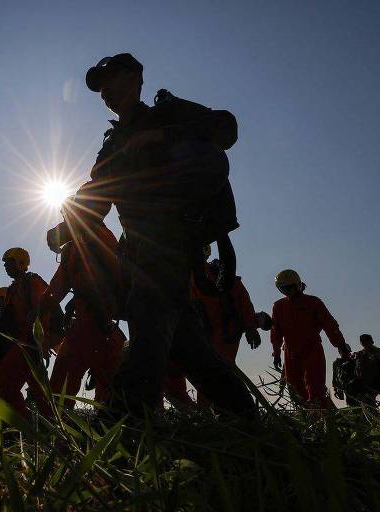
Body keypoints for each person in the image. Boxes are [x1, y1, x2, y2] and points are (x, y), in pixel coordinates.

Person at [45, 53, 255, 417]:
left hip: (172, 241)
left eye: (113, 79)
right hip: (138, 249)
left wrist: (162, 135)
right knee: (187, 346)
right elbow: (101, 191)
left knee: (148, 321)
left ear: (137, 78)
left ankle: (123, 425)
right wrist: (67, 227)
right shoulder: (113, 143)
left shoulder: (166, 113)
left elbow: (226, 128)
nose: (106, 91)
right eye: (101, 87)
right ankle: (244, 415)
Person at [42, 207, 125, 408]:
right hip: (95, 318)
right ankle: (111, 418)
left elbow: (117, 274)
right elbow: (57, 289)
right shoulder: (76, 245)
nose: (65, 218)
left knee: (68, 372)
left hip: (95, 318)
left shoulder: (95, 236)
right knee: (108, 372)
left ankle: (57, 421)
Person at [270, 269, 350, 407]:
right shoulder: (278, 306)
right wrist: (276, 353)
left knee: (315, 390)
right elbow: (276, 332)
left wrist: (341, 345)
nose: (286, 291)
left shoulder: (313, 302)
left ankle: (328, 421)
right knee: (296, 392)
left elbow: (330, 325)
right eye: (282, 289)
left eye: (288, 287)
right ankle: (310, 423)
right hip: (290, 353)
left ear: (298, 285)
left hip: (312, 350)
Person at [0, 247, 50, 416]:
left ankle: (21, 425)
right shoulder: (12, 290)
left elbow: (42, 310)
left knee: (2, 384)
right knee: (39, 391)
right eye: (5, 264)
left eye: (9, 263)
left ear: (20, 262)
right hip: (20, 342)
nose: (6, 267)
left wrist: (38, 341)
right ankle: (45, 427)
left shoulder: (32, 281)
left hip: (29, 343)